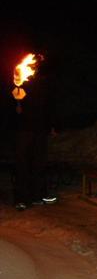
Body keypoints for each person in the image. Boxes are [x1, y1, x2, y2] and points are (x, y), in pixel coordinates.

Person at [13, 52, 58, 210]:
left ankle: (38, 195)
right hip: (24, 129)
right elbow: (14, 105)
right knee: (22, 163)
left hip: (40, 129)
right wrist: (17, 105)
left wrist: (52, 125)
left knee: (40, 162)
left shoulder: (44, 83)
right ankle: (22, 198)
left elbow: (50, 105)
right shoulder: (20, 80)